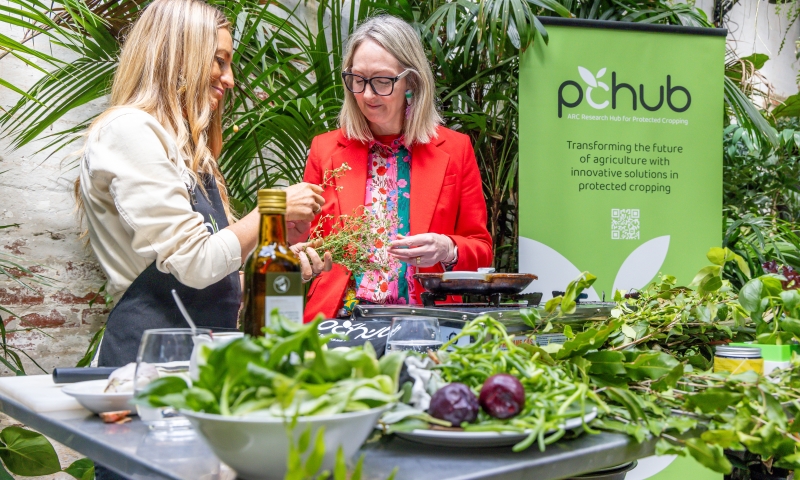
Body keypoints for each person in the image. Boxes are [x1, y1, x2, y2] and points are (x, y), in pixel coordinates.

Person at [76, 0, 331, 369]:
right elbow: (195, 263)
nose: (229, 78)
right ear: (180, 55)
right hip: (147, 362)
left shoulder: (189, 151)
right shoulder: (130, 131)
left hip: (199, 358)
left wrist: (277, 264)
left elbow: (208, 281)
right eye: (219, 60)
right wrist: (269, 212)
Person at [300, 15, 493, 322]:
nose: (367, 94)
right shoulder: (325, 150)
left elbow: (481, 249)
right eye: (358, 79)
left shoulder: (455, 150)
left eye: (381, 81)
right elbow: (303, 244)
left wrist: (447, 248)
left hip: (426, 321)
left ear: (411, 81)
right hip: (339, 321)